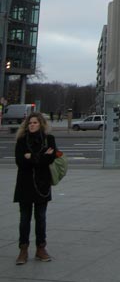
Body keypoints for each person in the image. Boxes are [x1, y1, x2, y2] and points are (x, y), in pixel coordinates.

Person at [13, 112, 57, 265]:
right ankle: (23, 249)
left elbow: (50, 158)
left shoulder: (49, 139)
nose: (32, 125)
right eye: (30, 123)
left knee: (41, 218)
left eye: (35, 122)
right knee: (24, 219)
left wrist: (30, 157)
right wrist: (40, 158)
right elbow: (20, 162)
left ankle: (41, 248)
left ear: (41, 124)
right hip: (24, 185)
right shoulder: (21, 140)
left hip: (42, 185)